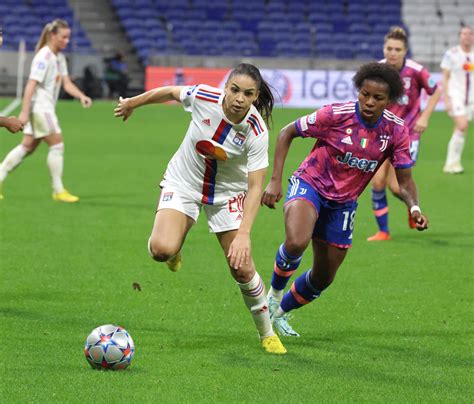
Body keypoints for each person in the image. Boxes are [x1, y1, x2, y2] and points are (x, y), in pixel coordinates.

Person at [114, 63, 287, 355]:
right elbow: (169, 91)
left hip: (227, 195)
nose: (239, 99)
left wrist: (244, 234)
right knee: (161, 250)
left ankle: (267, 333)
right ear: (225, 87)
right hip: (184, 182)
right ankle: (175, 243)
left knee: (242, 268)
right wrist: (133, 103)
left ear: (256, 96)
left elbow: (256, 186)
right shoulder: (204, 96)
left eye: (248, 94)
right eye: (234, 90)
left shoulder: (256, 130)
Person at [261, 62, 429, 338]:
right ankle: (272, 297)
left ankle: (279, 314)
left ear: (389, 101)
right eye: (365, 94)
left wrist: (414, 207)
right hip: (311, 183)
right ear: (358, 91)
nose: (369, 102)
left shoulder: (396, 131)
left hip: (344, 203)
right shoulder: (334, 115)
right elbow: (286, 132)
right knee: (296, 241)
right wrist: (275, 180)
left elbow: (405, 179)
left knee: (323, 277)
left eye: (378, 98)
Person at [0, 19, 92, 202]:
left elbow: (66, 82)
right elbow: (31, 85)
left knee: (27, 147)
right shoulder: (44, 57)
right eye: (63, 37)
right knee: (57, 144)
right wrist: (25, 112)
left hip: (46, 107)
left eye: (68, 38)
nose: (66, 41)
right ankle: (58, 190)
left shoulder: (58, 57)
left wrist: (81, 95)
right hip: (41, 108)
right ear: (52, 35)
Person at [367, 26, 441, 241]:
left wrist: (425, 116)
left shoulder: (416, 71)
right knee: (377, 182)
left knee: (396, 186)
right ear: (384, 49)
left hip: (408, 135)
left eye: (397, 49)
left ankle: (413, 208)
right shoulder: (376, 70)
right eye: (389, 48)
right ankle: (383, 231)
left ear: (405, 51)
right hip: (380, 134)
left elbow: (436, 91)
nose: (392, 53)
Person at [441, 26, 474, 174]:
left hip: (471, 98)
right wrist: (446, 99)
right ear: (459, 36)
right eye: (464, 34)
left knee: (461, 129)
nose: (467, 36)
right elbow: (445, 77)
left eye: (470, 34)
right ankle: (451, 163)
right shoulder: (451, 54)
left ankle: (453, 163)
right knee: (462, 125)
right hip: (456, 95)